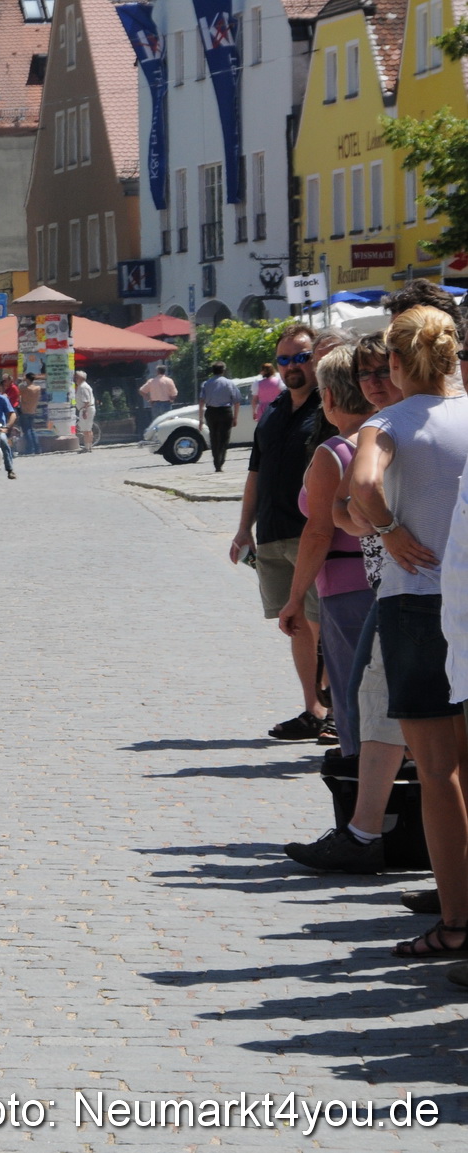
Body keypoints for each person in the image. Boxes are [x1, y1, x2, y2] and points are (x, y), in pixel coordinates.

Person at [348, 305, 468, 959]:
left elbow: (363, 483)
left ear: (393, 364)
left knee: (437, 771)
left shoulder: (386, 422)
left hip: (415, 604)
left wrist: (389, 529)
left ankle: (455, 919)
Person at [277, 346, 380, 872]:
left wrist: (295, 598)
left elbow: (318, 530)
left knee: (353, 702)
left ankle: (367, 825)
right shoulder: (391, 439)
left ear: (332, 396)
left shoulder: (337, 452)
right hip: (392, 580)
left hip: (344, 584)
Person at [231, 324, 330, 742]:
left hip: (313, 533)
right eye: (285, 359)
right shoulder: (272, 412)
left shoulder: (329, 408)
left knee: (323, 624)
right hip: (272, 535)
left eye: (301, 357)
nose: (293, 366)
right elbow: (256, 474)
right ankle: (313, 709)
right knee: (297, 627)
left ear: (316, 359)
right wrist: (243, 530)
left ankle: (337, 711)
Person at [199, 361, 240, 472]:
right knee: (224, 437)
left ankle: (216, 461)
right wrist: (235, 417)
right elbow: (236, 401)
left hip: (211, 412)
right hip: (225, 412)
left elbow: (201, 401)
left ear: (213, 371)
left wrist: (200, 419)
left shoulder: (206, 384)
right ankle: (221, 461)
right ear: (223, 370)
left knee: (214, 436)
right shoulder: (229, 383)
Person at [19, 371, 43, 454]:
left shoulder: (25, 389)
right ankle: (37, 448)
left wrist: (22, 380)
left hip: (25, 410)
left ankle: (30, 448)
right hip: (33, 410)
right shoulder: (38, 388)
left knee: (27, 430)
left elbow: (20, 390)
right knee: (32, 429)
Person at [72, 371, 94, 453]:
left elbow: (86, 400)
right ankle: (89, 446)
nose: (75, 379)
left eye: (76, 377)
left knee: (86, 430)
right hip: (87, 408)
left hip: (86, 408)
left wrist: (85, 411)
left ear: (81, 378)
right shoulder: (82, 386)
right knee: (88, 429)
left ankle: (87, 447)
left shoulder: (83, 387)